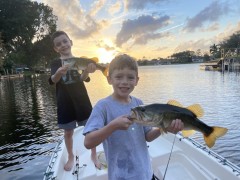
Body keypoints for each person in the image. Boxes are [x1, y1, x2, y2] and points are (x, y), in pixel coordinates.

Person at [83, 54, 184, 180]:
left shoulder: (139, 104)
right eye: (119, 77)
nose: (124, 82)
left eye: (130, 77)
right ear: (109, 79)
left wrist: (162, 128)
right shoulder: (102, 107)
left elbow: (147, 137)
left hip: (145, 173)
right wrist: (113, 126)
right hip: (120, 176)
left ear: (137, 80)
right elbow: (88, 142)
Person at [48, 30, 101, 171]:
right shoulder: (55, 63)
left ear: (71, 42)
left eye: (65, 41)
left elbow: (83, 79)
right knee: (68, 132)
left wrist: (87, 70)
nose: (63, 45)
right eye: (58, 44)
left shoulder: (79, 60)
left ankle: (94, 154)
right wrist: (58, 72)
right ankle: (71, 156)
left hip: (82, 102)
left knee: (90, 130)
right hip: (65, 104)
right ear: (55, 49)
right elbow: (52, 80)